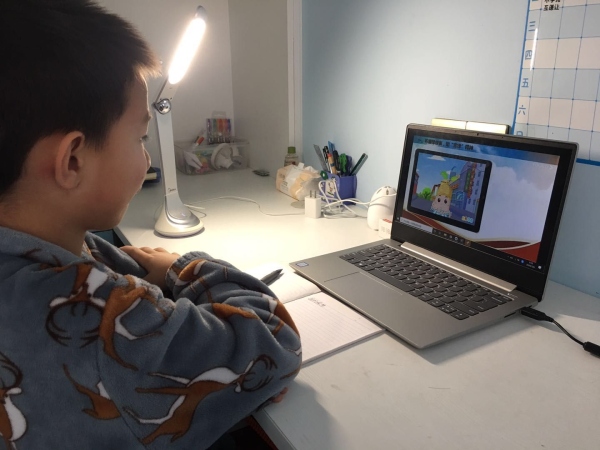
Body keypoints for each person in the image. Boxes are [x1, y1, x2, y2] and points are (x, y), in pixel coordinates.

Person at [0, 1, 301, 449]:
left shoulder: (54, 246)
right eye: (140, 138)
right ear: (72, 160)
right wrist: (185, 265)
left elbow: (126, 275)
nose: (146, 159)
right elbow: (272, 343)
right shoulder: (96, 321)